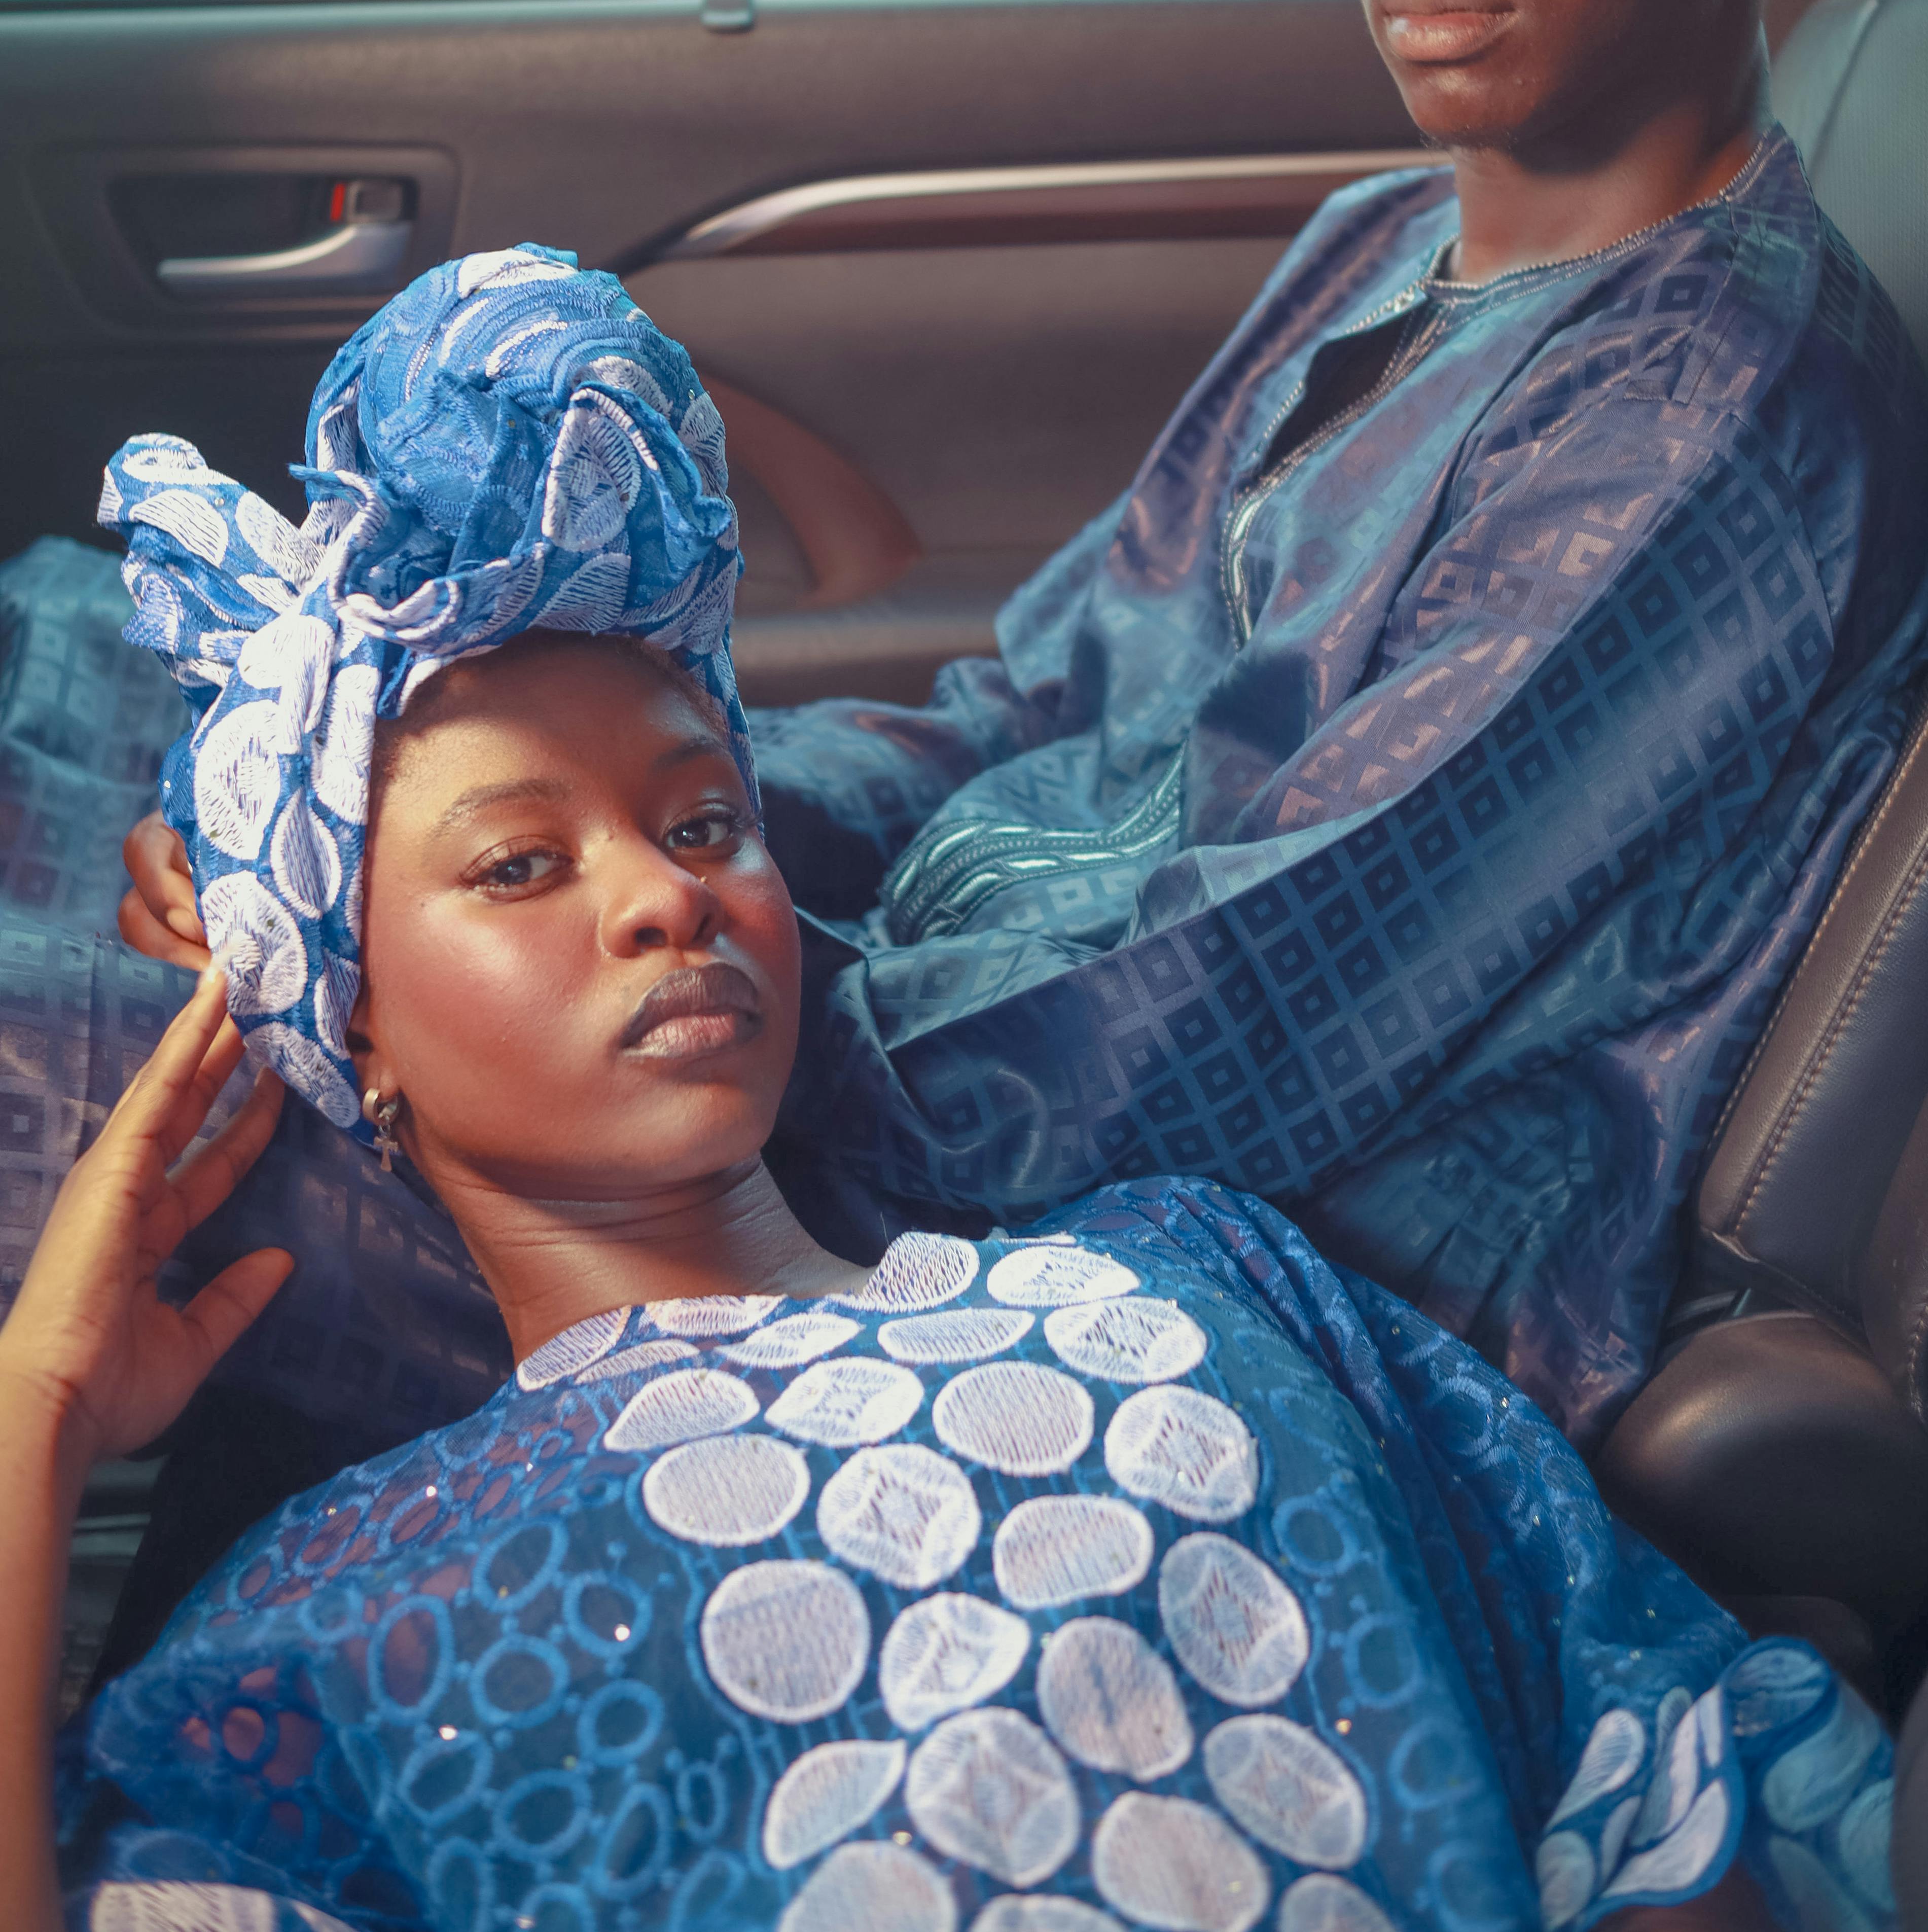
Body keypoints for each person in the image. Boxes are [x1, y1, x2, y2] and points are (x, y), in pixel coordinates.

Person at [118, 0, 1928, 1453]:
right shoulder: (1381, 245)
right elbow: (1023, 697)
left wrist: (595, 1024)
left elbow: (1263, 995)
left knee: (108, 1071)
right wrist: (492, 849)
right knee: (94, 719)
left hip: (1233, 1263)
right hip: (924, 1081)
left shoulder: (1717, 416)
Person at [0, 247, 1893, 1932]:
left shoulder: (1206, 1275)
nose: (667, 894)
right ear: (358, 1034)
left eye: (705, 821)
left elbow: (1640, 1785)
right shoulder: (328, 1623)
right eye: (521, 865)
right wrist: (42, 1412)